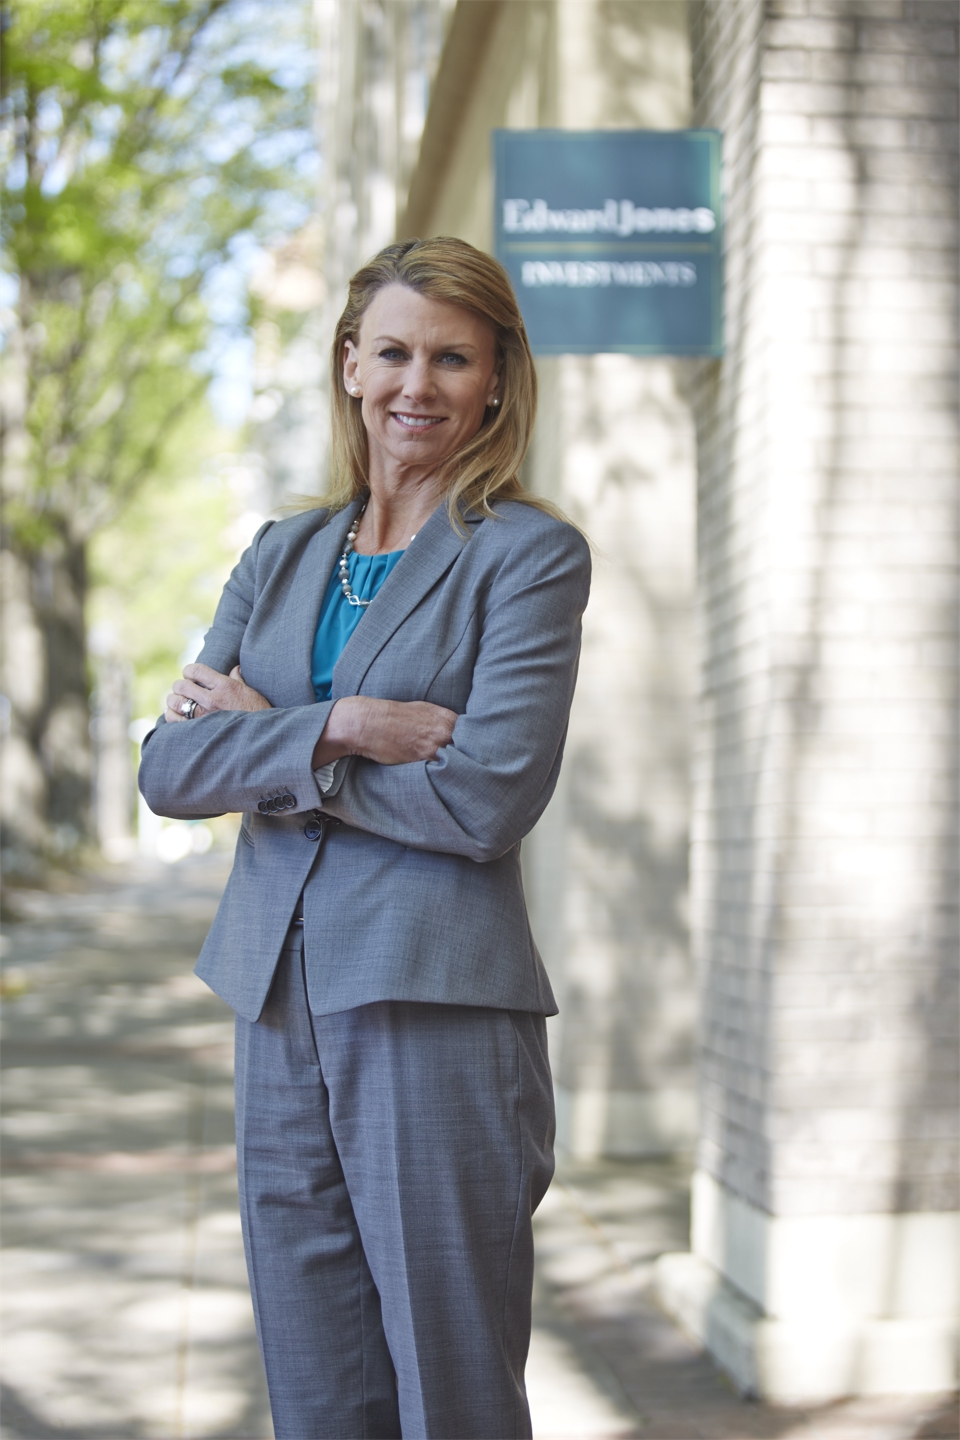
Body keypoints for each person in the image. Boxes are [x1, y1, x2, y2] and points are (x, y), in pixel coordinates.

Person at [138, 235, 591, 1440]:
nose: (417, 384)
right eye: (391, 351)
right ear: (349, 365)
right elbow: (169, 766)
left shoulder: (526, 558)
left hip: (431, 999)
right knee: (314, 1378)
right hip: (274, 1000)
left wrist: (276, 749)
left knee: (449, 1381)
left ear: (496, 380)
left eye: (453, 358)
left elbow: (488, 797)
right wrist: (342, 727)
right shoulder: (280, 554)